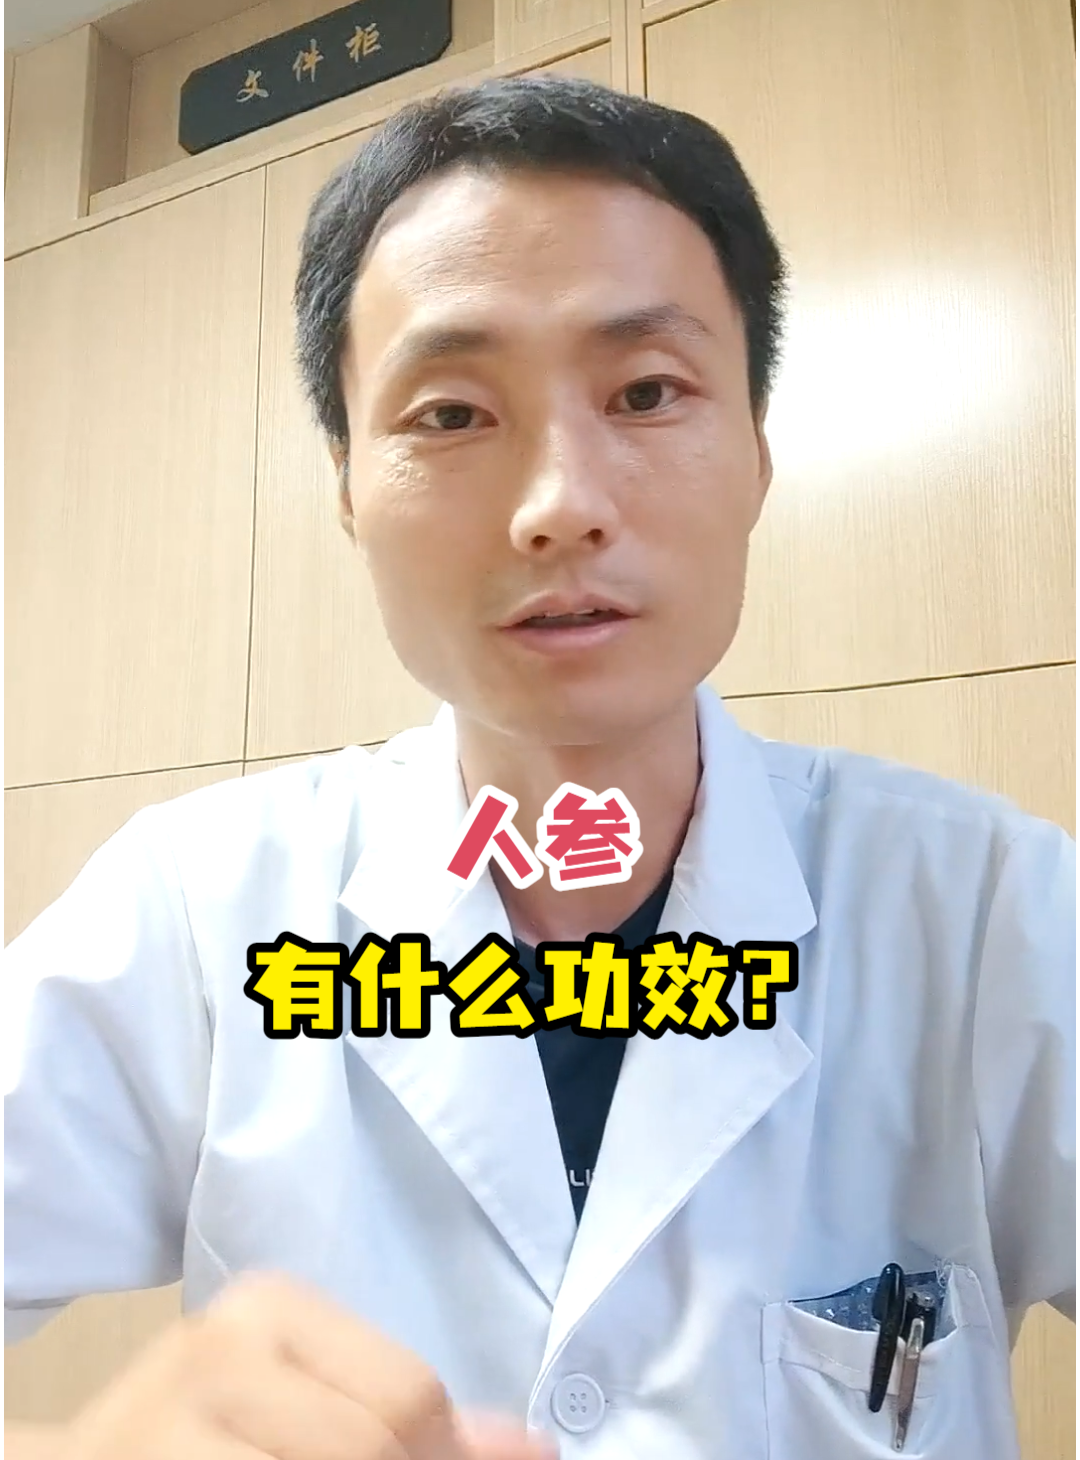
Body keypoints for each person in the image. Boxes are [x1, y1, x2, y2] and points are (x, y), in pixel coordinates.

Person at [4, 73, 1074, 1460]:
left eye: (647, 391)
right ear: (347, 486)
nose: (561, 505)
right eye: (452, 414)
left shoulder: (994, 911)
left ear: (756, 453)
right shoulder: (197, 912)